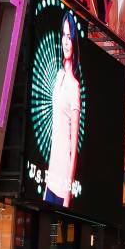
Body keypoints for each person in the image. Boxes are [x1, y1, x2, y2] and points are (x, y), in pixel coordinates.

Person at [43, 13, 82, 208]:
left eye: (69, 37)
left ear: (74, 41)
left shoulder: (75, 87)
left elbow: (74, 149)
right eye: (63, 35)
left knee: (53, 228)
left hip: (62, 187)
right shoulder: (58, 76)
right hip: (50, 179)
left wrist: (67, 195)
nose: (66, 42)